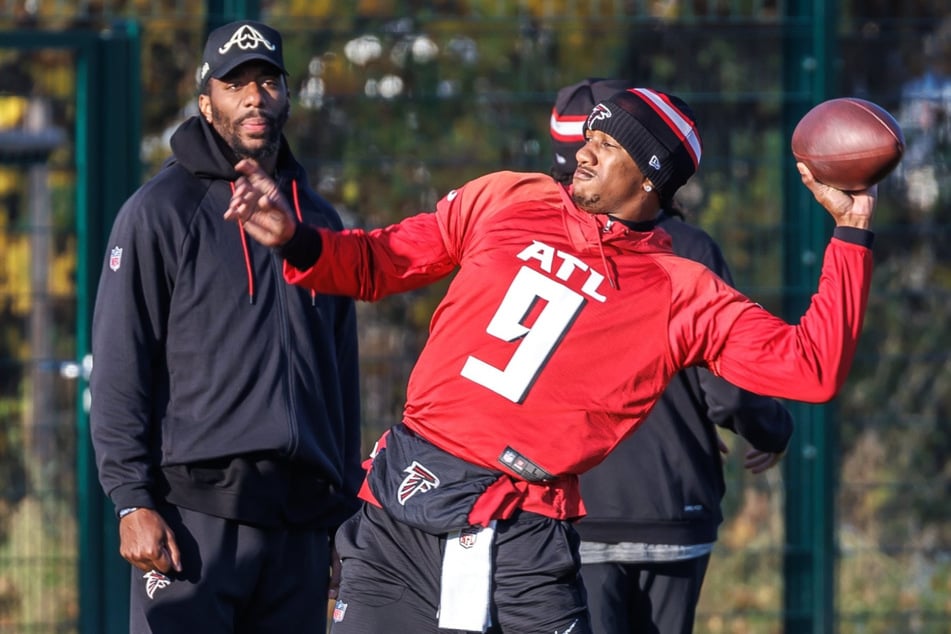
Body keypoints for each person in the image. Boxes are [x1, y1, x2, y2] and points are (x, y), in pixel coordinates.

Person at [225, 86, 875, 634]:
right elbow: (376, 262)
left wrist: (849, 232)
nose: (584, 149)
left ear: (650, 177)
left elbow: (810, 369)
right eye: (590, 136)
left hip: (523, 535)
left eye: (609, 144)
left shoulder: (682, 290)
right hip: (404, 506)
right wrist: (299, 238)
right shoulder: (510, 196)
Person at [88, 20, 364, 634]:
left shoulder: (318, 220)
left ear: (288, 94)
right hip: (192, 518)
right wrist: (131, 499)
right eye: (235, 84)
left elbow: (341, 381)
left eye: (267, 81)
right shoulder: (159, 212)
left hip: (300, 522)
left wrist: (346, 516)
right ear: (205, 98)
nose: (254, 98)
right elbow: (118, 362)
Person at [551, 79, 794, 633]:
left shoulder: (535, 246)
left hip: (570, 507)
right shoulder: (689, 249)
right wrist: (770, 429)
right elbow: (729, 389)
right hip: (671, 503)